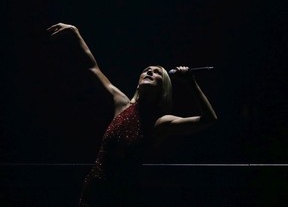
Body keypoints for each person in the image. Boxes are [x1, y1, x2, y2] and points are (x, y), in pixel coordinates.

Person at [47, 23, 218, 207]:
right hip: (93, 192)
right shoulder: (121, 103)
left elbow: (209, 119)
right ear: (138, 83)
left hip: (122, 197)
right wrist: (75, 32)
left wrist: (191, 83)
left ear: (163, 87)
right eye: (146, 70)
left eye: (157, 72)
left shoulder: (160, 122)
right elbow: (93, 68)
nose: (149, 71)